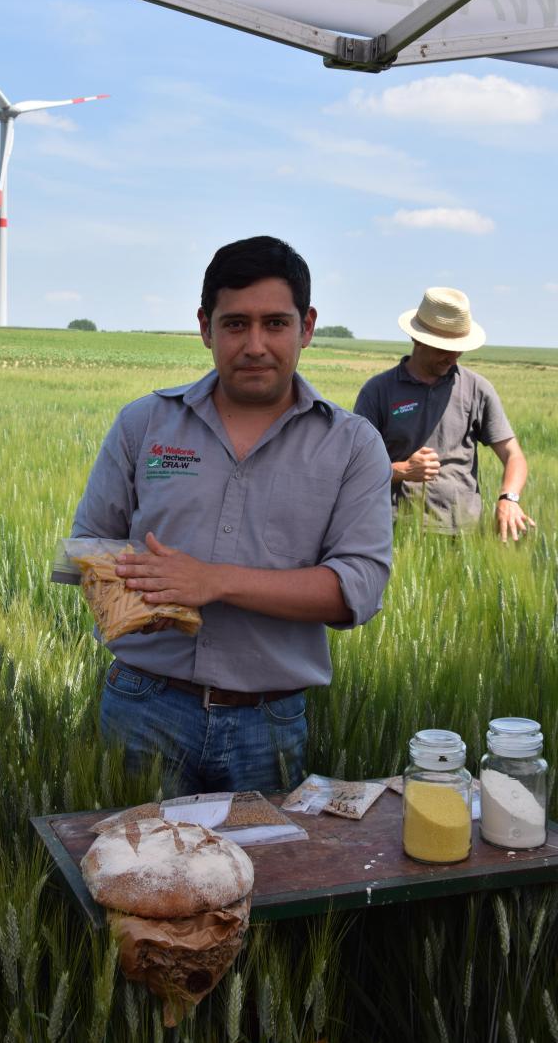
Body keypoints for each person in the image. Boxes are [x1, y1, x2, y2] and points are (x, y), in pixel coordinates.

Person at [71, 235, 392, 796]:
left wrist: (213, 582)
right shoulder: (145, 424)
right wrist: (137, 601)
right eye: (235, 323)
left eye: (275, 323)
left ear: (307, 326)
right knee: (132, 874)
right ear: (205, 327)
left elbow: (357, 589)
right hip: (143, 704)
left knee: (264, 879)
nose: (255, 345)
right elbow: (89, 544)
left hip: (266, 721)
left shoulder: (352, 445)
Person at [354, 287, 535, 541]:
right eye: (442, 348)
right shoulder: (378, 391)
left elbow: (513, 455)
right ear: (417, 339)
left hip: (465, 535)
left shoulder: (477, 389)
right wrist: (403, 470)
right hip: (395, 532)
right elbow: (355, 469)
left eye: (458, 348)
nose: (452, 357)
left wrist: (509, 498)